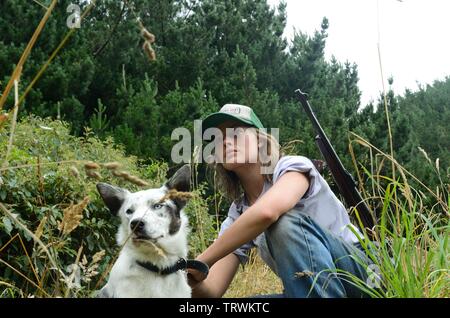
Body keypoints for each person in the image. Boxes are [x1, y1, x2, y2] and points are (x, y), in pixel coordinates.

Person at [188, 104, 371, 298]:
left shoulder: (292, 167)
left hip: (363, 275)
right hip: (308, 290)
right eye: (217, 138)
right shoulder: (239, 213)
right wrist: (183, 276)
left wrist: (202, 260)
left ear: (259, 140)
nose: (225, 142)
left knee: (282, 222)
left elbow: (267, 213)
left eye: (236, 133)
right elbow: (211, 292)